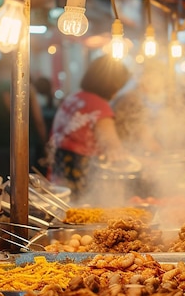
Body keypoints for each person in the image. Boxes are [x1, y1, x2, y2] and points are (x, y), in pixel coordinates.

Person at [48, 54, 131, 198]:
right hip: (81, 177)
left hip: (57, 173)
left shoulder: (74, 97)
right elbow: (113, 147)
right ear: (113, 85)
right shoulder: (100, 106)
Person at [0, 77, 48, 179]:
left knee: (1, 183)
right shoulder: (28, 89)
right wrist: (44, 144)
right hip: (25, 145)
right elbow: (39, 121)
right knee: (25, 181)